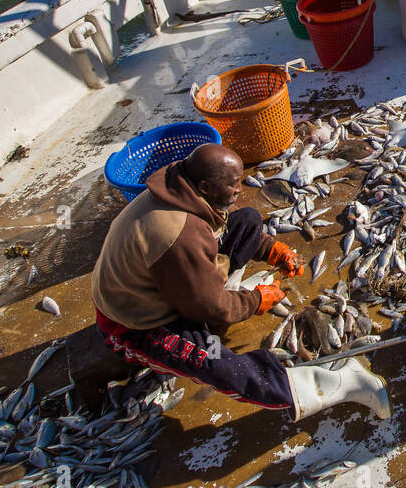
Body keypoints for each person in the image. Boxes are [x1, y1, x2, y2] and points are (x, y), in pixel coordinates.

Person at [91, 143, 389, 422]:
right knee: (221, 365)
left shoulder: (184, 186)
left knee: (246, 219)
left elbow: (224, 219)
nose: (239, 188)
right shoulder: (177, 234)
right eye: (232, 184)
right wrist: (256, 300)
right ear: (206, 186)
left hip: (171, 281)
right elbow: (214, 309)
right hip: (136, 323)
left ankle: (219, 289)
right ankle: (340, 382)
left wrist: (268, 247)